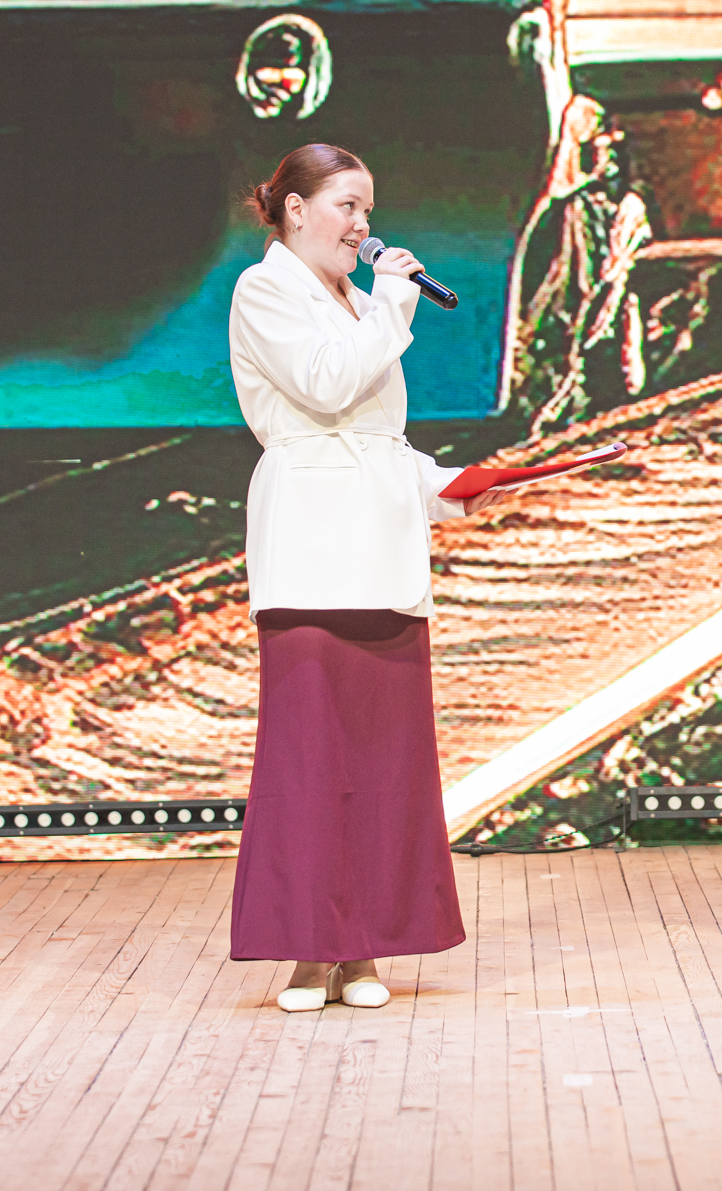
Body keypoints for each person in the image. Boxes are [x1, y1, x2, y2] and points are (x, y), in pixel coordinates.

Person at [227, 143, 508, 1012]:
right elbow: (323, 389)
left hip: (384, 555)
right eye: (347, 206)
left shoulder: (358, 302)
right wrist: (394, 305)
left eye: (368, 209)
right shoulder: (265, 289)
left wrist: (447, 488)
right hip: (312, 555)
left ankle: (363, 950)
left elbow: (378, 439)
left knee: (387, 767)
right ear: (296, 209)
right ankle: (310, 951)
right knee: (308, 762)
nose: (363, 225)